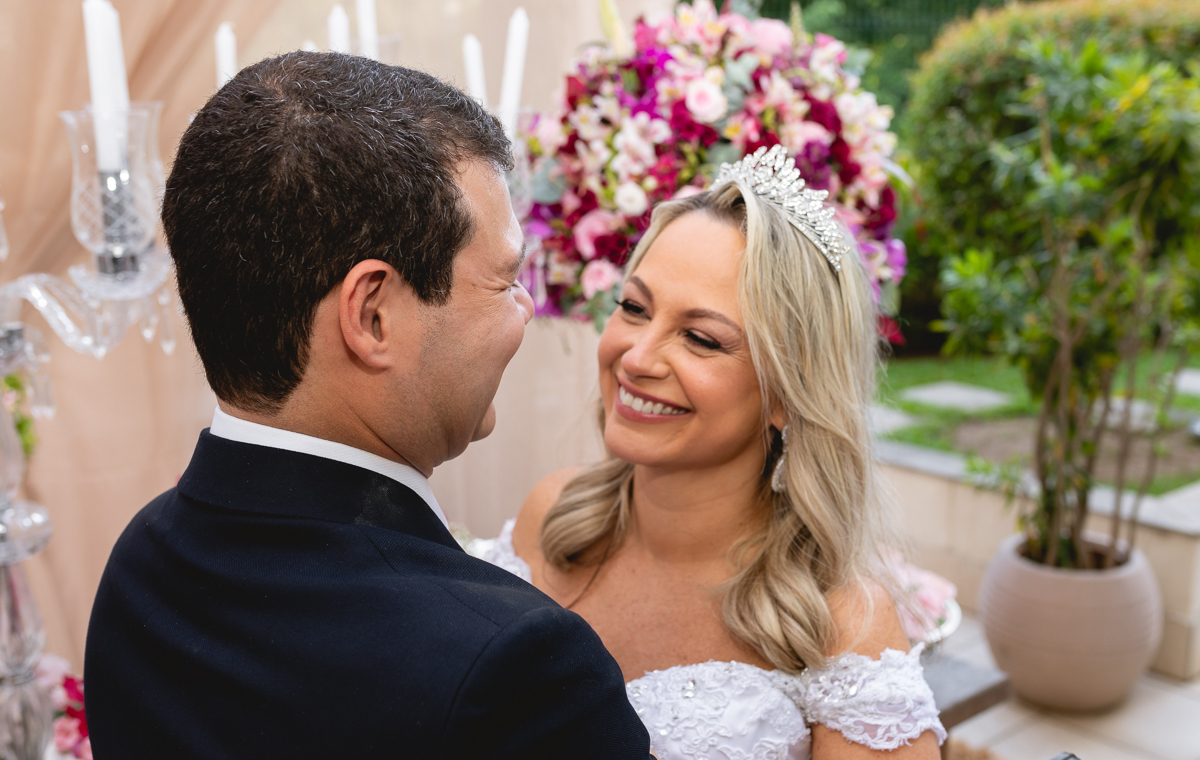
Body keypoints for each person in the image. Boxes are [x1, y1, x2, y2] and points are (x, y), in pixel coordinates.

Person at [84, 52, 651, 760]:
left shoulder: (138, 566)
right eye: (504, 280)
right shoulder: (515, 667)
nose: (526, 310)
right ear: (373, 314)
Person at [480, 146, 947, 759]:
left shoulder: (839, 624)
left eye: (701, 339)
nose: (638, 358)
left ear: (787, 392)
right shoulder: (553, 516)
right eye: (634, 307)